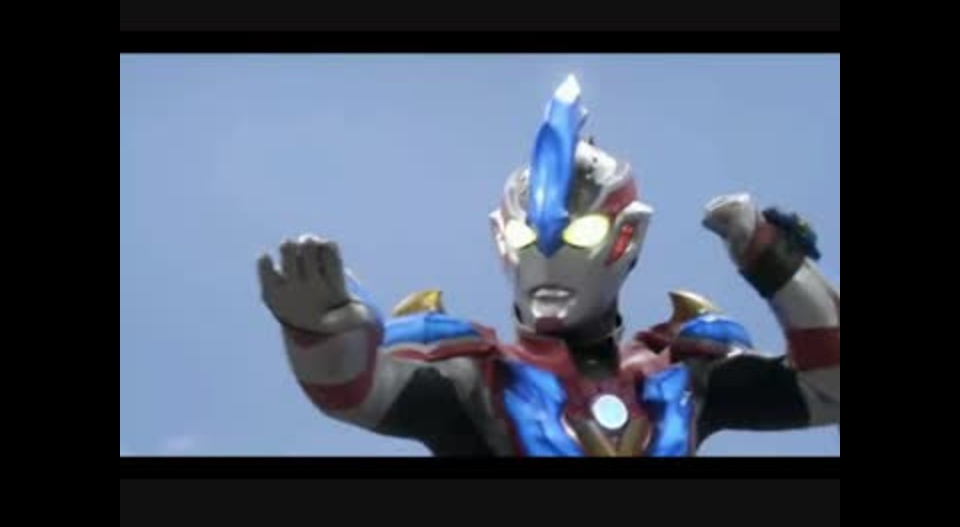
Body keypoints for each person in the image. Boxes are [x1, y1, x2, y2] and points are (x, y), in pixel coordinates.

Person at [256, 75, 840, 456]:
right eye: (524, 235)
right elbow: (358, 394)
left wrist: (772, 259)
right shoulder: (478, 379)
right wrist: (321, 337)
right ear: (500, 237)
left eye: (583, 234)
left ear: (628, 237)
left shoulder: (683, 374)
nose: (546, 258)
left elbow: (830, 389)